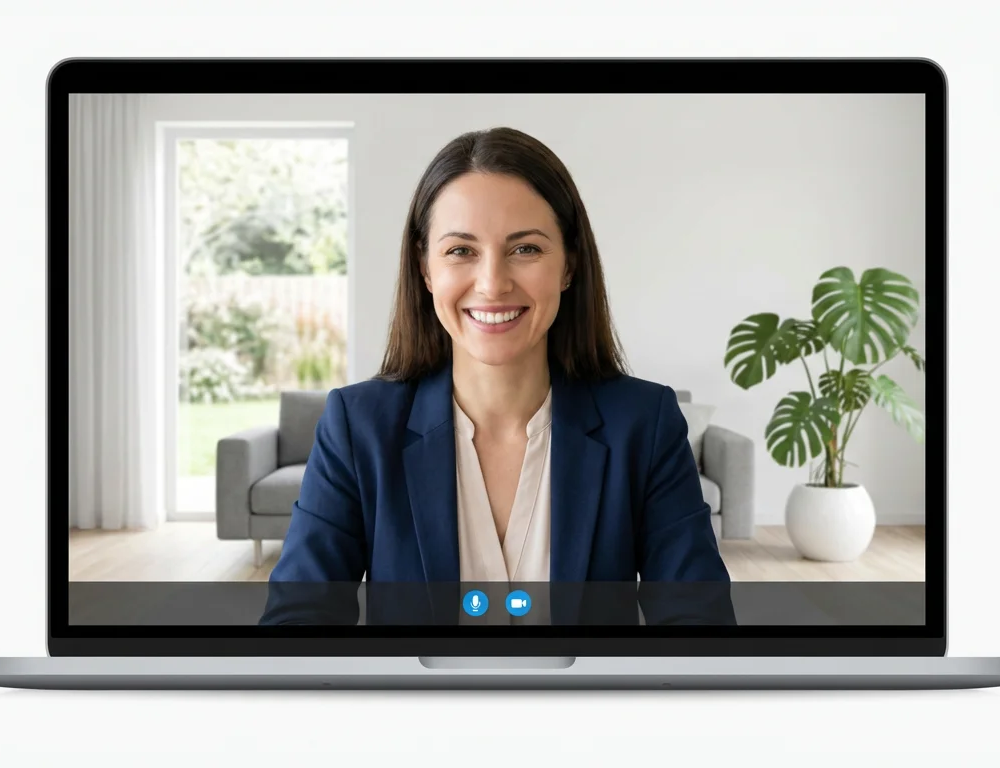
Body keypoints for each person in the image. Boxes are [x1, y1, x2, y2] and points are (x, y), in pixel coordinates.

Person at [259, 127, 734, 626]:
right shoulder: (358, 427)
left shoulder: (644, 424)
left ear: (569, 264)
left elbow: (698, 629)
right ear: (425, 269)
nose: (492, 283)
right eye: (461, 251)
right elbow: (297, 629)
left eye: (525, 249)